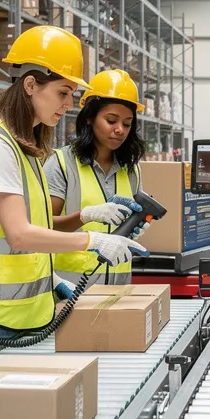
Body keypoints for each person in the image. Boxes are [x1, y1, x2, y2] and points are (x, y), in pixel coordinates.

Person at [0, 26, 146, 353]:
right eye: (63, 92)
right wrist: (94, 238)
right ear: (31, 85)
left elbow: (35, 230)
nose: (68, 104)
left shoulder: (26, 149)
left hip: (20, 314)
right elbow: (19, 235)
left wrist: (53, 280)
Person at [46, 68, 148, 287]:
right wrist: (87, 215)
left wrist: (133, 226)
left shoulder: (130, 169)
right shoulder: (62, 165)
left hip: (119, 292)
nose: (120, 130)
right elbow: (43, 228)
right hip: (69, 291)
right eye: (111, 121)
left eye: (127, 124)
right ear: (90, 118)